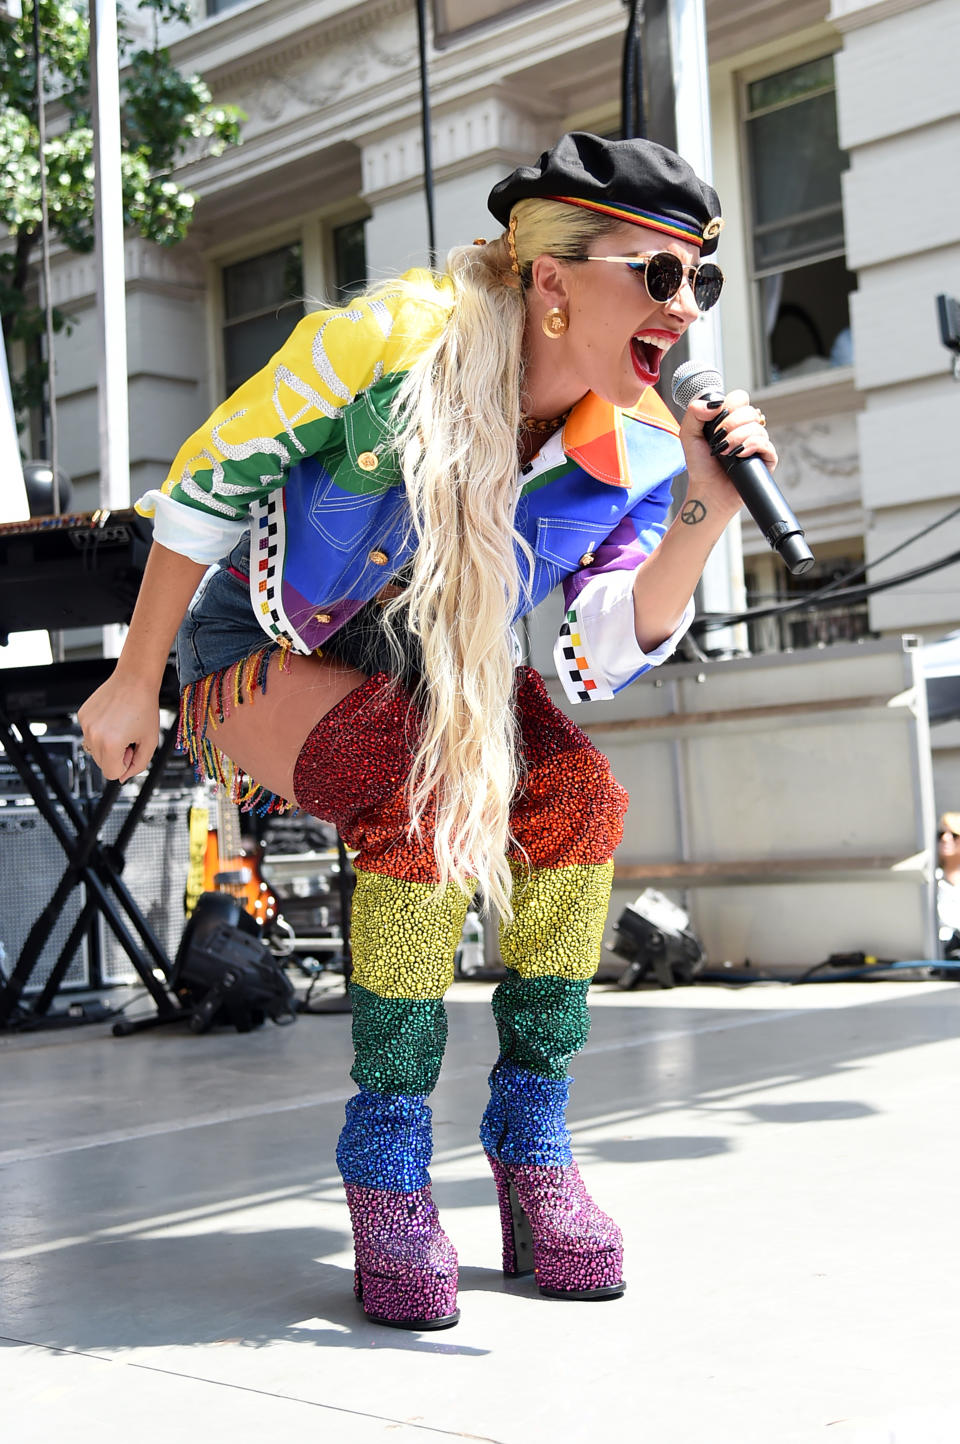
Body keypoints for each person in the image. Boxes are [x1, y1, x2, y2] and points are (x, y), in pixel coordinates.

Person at [79, 132, 776, 1330]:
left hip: (434, 670)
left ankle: (532, 1144)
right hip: (256, 642)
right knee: (423, 800)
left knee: (580, 805)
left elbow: (593, 652)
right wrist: (132, 680)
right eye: (658, 274)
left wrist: (702, 522)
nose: (685, 308)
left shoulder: (645, 446)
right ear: (551, 277)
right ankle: (389, 1155)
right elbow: (208, 482)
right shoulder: (394, 338)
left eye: (700, 280)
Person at [936, 813, 960, 955]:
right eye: (941, 834)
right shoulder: (929, 881)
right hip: (939, 960)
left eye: (954, 834)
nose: (945, 838)